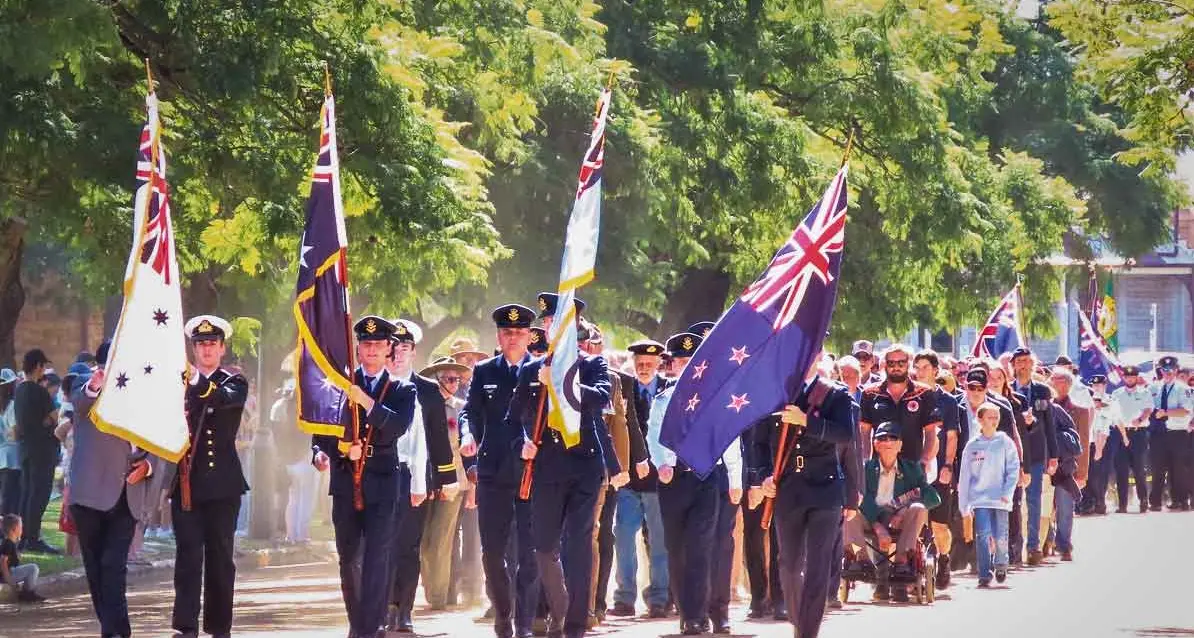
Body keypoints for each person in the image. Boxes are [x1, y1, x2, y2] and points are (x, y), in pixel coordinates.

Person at [515, 301, 627, 638]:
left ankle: (576, 624)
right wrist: (523, 441)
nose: (554, 326)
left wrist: (561, 381)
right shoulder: (530, 368)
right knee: (545, 547)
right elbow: (516, 415)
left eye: (561, 320)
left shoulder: (593, 364)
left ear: (576, 325)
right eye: (549, 321)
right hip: (547, 466)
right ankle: (563, 608)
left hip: (584, 465)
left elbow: (597, 399)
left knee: (578, 544)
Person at [311, 315, 418, 638]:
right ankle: (359, 621)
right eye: (365, 344)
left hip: (383, 481)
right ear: (356, 348)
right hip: (346, 478)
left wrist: (366, 402)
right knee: (348, 557)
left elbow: (397, 426)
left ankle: (370, 628)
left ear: (390, 350)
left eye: (378, 344)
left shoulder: (402, 388)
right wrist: (325, 452)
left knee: (377, 556)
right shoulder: (339, 384)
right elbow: (322, 430)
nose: (371, 350)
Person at [749, 356, 855, 638]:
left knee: (818, 565)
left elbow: (845, 434)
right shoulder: (774, 394)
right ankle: (799, 621)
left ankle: (808, 632)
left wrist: (806, 421)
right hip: (788, 489)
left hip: (825, 488)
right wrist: (763, 477)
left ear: (819, 356)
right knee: (789, 564)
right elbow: (758, 444)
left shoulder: (834, 394)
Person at [648, 332, 742, 636]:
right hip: (674, 479)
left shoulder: (714, 397)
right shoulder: (663, 399)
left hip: (706, 476)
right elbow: (655, 434)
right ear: (672, 365)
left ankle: (697, 615)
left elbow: (728, 437)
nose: (686, 367)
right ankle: (686, 610)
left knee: (701, 547)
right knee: (677, 548)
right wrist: (662, 463)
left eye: (692, 362)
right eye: (681, 361)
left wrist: (735, 479)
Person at [70, 341, 166, 637]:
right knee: (97, 570)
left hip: (127, 495)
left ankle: (117, 633)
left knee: (113, 566)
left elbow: (158, 441)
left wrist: (149, 466)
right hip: (89, 496)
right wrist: (95, 385)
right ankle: (112, 629)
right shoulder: (87, 388)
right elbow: (80, 402)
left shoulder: (146, 395)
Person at [458, 303, 540, 638]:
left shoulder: (541, 371)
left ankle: (523, 624)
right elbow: (470, 412)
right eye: (507, 332)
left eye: (520, 333)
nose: (513, 338)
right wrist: (467, 436)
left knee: (530, 554)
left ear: (529, 336)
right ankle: (503, 613)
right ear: (498, 336)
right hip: (493, 472)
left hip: (531, 474)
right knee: (492, 551)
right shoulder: (485, 371)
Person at [167, 316, 251, 638]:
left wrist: (191, 379)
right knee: (188, 556)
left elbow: (219, 398)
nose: (206, 349)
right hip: (187, 482)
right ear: (194, 348)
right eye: (201, 344)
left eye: (212, 343)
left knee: (220, 558)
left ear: (222, 348)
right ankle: (185, 626)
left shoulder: (235, 381)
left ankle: (219, 627)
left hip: (223, 486)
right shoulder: (177, 383)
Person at [385, 319, 458, 633]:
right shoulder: (378, 385)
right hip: (380, 474)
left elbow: (438, 438)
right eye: (394, 347)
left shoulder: (428, 390)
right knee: (380, 543)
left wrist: (444, 479)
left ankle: (404, 608)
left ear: (414, 351)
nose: (398, 354)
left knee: (409, 546)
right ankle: (384, 604)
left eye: (404, 348)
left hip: (415, 478)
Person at [842, 421, 940, 602]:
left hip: (898, 517)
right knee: (849, 510)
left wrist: (903, 510)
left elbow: (933, 498)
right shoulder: (866, 469)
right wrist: (877, 525)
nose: (887, 442)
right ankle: (860, 558)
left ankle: (902, 560)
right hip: (871, 515)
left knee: (918, 508)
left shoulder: (912, 469)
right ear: (875, 445)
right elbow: (861, 497)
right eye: (882, 439)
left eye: (892, 438)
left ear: (900, 445)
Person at [609, 338, 670, 619]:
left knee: (659, 542)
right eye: (640, 363)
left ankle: (659, 597)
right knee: (623, 537)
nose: (644, 367)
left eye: (649, 363)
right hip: (629, 480)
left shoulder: (669, 391)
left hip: (660, 480)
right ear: (633, 363)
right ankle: (624, 598)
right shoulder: (623, 388)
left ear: (659, 363)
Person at [418, 356, 471, 611]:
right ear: (436, 380)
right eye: (449, 378)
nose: (454, 382)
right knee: (423, 540)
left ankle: (439, 597)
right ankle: (433, 591)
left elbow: (469, 452)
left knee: (441, 540)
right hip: (426, 481)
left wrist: (471, 486)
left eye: (457, 378)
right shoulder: (422, 405)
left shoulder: (462, 409)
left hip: (455, 482)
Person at [958, 402, 1020, 588]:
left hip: (1000, 498)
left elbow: (1013, 468)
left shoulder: (1005, 442)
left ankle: (1001, 564)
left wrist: (1007, 492)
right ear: (980, 419)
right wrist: (964, 505)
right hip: (980, 498)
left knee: (1001, 534)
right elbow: (965, 475)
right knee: (982, 534)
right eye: (989, 417)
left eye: (996, 417)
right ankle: (984, 573)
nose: (993, 421)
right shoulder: (972, 445)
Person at [912, 349, 959, 590]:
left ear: (935, 370)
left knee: (939, 525)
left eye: (925, 368)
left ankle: (943, 558)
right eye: (917, 367)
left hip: (939, 469)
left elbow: (951, 436)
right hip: (914, 471)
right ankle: (914, 567)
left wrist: (948, 465)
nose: (920, 372)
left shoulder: (947, 401)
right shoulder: (910, 397)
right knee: (913, 521)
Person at [1008, 347, 1057, 566]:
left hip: (1036, 453)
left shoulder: (1042, 391)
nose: (1023, 365)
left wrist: (1053, 455)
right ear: (1014, 365)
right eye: (1019, 361)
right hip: (1013, 456)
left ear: (1033, 364)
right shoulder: (1006, 390)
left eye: (1027, 361)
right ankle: (1014, 547)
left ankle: (1034, 546)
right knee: (1013, 502)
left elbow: (1049, 425)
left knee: (1034, 500)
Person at [859, 344, 940, 473]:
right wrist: (865, 461)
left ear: (908, 364)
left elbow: (931, 433)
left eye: (901, 363)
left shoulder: (924, 393)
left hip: (913, 467)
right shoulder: (869, 393)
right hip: (878, 468)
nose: (896, 367)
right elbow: (865, 433)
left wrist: (924, 462)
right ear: (885, 365)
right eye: (891, 363)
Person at [15, 348, 60, 554]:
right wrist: (49, 419)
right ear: (38, 366)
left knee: (27, 493)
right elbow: (53, 416)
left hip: (25, 448)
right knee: (40, 494)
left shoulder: (19, 390)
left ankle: (22, 535)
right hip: (42, 449)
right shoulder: (38, 390)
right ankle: (33, 537)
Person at [1046, 367, 1090, 562]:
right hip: (1046, 464)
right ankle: (1046, 541)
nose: (1057, 383)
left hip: (1067, 467)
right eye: (1054, 379)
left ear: (1069, 384)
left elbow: (1084, 443)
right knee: (1045, 507)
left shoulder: (1080, 411)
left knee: (1065, 507)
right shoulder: (1043, 407)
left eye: (1062, 380)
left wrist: (1082, 473)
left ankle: (1064, 545)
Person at [1150, 355, 1193, 510]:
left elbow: (1186, 411)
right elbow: (1148, 407)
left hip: (1177, 433)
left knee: (1178, 469)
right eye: (1164, 369)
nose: (1167, 372)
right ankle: (1155, 502)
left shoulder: (1184, 389)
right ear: (1160, 370)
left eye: (1171, 369)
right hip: (1158, 434)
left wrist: (1166, 412)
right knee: (1157, 468)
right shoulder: (1153, 387)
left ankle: (1179, 500)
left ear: (1176, 370)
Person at [1110, 365, 1152, 513]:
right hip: (1121, 434)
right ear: (1123, 378)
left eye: (1132, 377)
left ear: (1136, 377)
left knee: (1139, 469)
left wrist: (1140, 420)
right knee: (1121, 470)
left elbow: (1148, 409)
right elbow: (1114, 413)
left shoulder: (1144, 392)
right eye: (1127, 377)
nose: (1129, 379)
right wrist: (1123, 433)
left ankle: (1143, 501)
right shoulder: (1116, 393)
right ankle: (1122, 504)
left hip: (1138, 433)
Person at [1083, 375, 1116, 515]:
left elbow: (1109, 419)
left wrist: (1100, 446)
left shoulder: (1110, 400)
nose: (1096, 387)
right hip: (1089, 440)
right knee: (1089, 473)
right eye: (1094, 385)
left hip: (1106, 438)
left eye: (1099, 385)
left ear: (1105, 385)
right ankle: (1089, 502)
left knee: (1102, 472)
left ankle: (1100, 501)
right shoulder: (1087, 401)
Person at [0, 514, 44, 602]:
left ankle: (26, 593)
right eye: (21, 527)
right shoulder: (8, 543)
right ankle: (28, 593)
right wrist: (9, 580)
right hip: (6, 575)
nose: (22, 529)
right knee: (33, 568)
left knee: (29, 569)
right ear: (15, 529)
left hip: (8, 573)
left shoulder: (9, 542)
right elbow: (3, 562)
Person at [0, 369, 20, 516]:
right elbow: (15, 434)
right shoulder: (13, 406)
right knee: (11, 499)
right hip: (13, 458)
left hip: (2, 457)